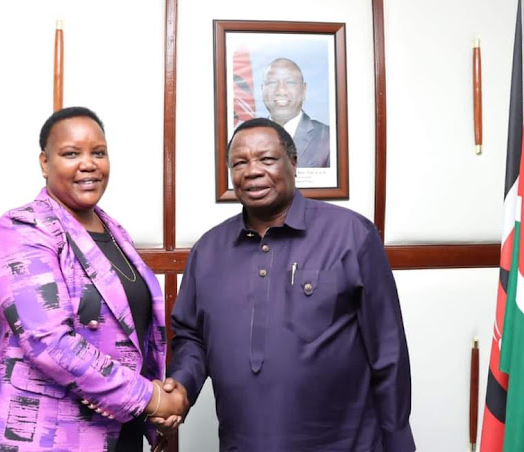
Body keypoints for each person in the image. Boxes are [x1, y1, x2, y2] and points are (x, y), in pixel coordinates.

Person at [159, 118, 414, 451]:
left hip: (345, 444)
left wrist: (397, 442)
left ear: (293, 164)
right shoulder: (208, 250)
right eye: (239, 163)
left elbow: (388, 351)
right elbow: (191, 337)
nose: (251, 171)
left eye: (266, 159)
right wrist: (182, 386)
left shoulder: (351, 235)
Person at [0, 106, 187, 451]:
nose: (88, 164)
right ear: (45, 163)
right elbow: (48, 341)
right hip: (52, 437)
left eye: (99, 153)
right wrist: (149, 398)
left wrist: (158, 403)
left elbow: (134, 337)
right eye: (71, 153)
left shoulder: (114, 230)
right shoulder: (23, 228)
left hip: (122, 431)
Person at [261, 57, 331, 168]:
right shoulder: (246, 138)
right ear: (262, 89)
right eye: (273, 82)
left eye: (290, 83)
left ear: (304, 90)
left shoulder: (328, 138)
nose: (281, 91)